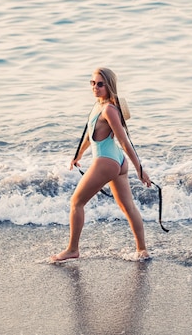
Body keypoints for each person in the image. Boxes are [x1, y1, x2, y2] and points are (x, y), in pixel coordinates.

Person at [50, 67, 151, 262]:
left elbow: (123, 140)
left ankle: (72, 249)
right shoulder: (99, 106)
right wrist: (78, 155)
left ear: (109, 86)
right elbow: (90, 136)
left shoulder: (109, 109)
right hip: (116, 161)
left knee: (76, 202)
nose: (95, 87)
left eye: (100, 84)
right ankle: (142, 250)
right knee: (128, 207)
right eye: (93, 83)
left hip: (107, 160)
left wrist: (140, 169)